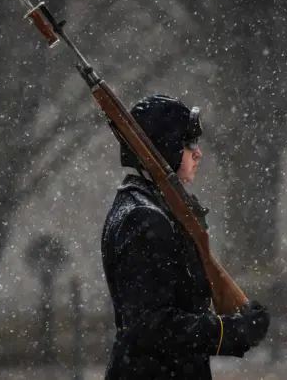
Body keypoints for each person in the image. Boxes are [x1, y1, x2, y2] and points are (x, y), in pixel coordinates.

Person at [101, 94, 270, 379]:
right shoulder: (144, 218)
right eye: (187, 142)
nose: (197, 152)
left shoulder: (147, 207)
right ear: (164, 147)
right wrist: (231, 332)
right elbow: (152, 326)